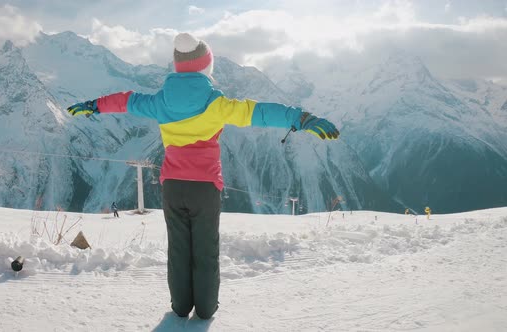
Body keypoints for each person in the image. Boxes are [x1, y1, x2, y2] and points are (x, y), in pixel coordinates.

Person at [67, 32, 339, 319]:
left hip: (172, 186)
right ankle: (206, 309)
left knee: (179, 248)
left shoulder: (159, 102)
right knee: (205, 249)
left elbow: (125, 101)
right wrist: (301, 118)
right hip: (205, 188)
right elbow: (260, 112)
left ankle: (180, 306)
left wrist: (94, 105)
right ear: (205, 67)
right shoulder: (217, 104)